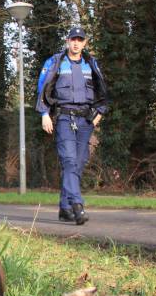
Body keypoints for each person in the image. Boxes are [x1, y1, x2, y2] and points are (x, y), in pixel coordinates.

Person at [36, 27, 108, 225]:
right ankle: (77, 205)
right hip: (64, 119)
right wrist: (44, 114)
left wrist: (99, 115)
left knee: (78, 163)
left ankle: (64, 208)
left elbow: (102, 91)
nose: (76, 43)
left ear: (84, 43)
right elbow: (42, 88)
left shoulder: (91, 63)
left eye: (80, 40)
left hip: (86, 121)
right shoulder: (55, 62)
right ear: (67, 41)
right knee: (69, 161)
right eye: (73, 39)